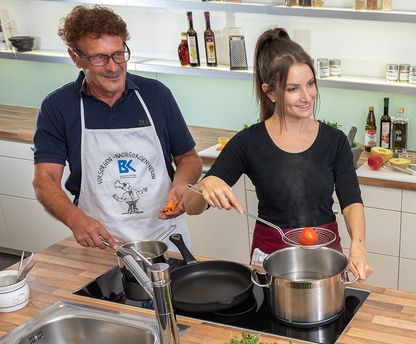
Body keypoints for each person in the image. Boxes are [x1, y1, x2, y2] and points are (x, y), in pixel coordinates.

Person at [183, 28, 372, 280]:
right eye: (293, 89)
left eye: (310, 84)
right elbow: (191, 207)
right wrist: (206, 185)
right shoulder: (248, 142)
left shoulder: (334, 141)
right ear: (270, 92)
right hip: (270, 260)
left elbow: (351, 202)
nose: (307, 97)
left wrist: (358, 246)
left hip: (324, 255)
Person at [33, 5, 200, 250]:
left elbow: (188, 158)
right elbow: (44, 180)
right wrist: (76, 220)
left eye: (118, 54)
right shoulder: (58, 107)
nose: (113, 67)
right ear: (75, 57)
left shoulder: (156, 95)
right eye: (99, 58)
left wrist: (181, 186)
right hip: (101, 243)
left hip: (165, 238)